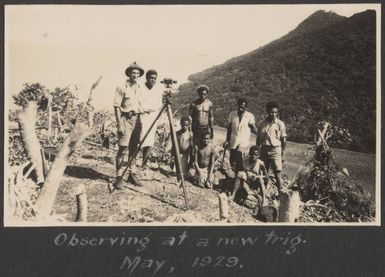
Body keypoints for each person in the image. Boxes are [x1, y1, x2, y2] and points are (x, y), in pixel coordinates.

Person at [113, 61, 144, 189]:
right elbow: (116, 106)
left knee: (134, 148)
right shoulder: (122, 87)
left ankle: (132, 174)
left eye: (137, 73)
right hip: (126, 119)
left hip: (137, 119)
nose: (135, 75)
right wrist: (120, 124)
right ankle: (119, 176)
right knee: (122, 148)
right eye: (133, 73)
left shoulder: (140, 87)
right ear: (129, 74)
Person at [256, 101, 287, 194]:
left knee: (277, 172)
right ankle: (263, 192)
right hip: (264, 149)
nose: (273, 114)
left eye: (275, 112)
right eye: (271, 112)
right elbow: (258, 139)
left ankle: (280, 193)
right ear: (267, 111)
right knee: (264, 172)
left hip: (276, 150)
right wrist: (257, 151)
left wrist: (283, 154)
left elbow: (283, 140)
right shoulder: (262, 123)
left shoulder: (280, 124)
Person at [223, 98, 258, 174]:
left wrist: (260, 135)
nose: (240, 108)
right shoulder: (232, 114)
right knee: (232, 160)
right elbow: (229, 129)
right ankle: (235, 175)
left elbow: (254, 128)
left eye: (242, 107)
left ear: (246, 107)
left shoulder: (249, 116)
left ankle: (239, 174)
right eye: (239, 106)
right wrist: (227, 140)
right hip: (233, 141)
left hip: (244, 141)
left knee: (239, 154)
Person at [139, 69, 164, 168]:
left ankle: (144, 163)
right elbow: (137, 101)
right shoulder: (141, 87)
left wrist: (155, 115)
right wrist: (143, 110)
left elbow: (159, 105)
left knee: (149, 140)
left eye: (154, 78)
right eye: (151, 78)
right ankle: (132, 161)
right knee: (139, 138)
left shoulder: (157, 90)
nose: (153, 80)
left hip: (153, 116)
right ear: (147, 78)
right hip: (141, 115)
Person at [175, 116, 193, 181]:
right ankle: (179, 175)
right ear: (180, 124)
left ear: (189, 126)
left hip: (186, 154)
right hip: (178, 153)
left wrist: (191, 159)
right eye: (183, 125)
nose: (185, 127)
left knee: (184, 170)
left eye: (186, 125)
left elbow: (191, 146)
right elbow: (175, 144)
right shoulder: (177, 133)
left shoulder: (190, 135)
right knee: (178, 168)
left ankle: (185, 173)